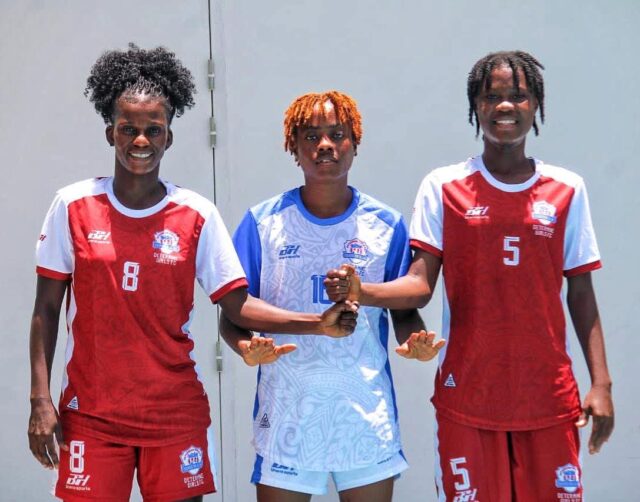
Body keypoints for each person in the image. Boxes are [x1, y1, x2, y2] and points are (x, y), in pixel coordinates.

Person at [28, 45, 357, 502]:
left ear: (169, 137)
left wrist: (317, 324)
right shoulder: (73, 206)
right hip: (92, 416)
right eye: (128, 129)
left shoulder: (196, 213)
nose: (140, 141)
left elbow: (237, 305)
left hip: (174, 416)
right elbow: (46, 309)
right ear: (110, 133)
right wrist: (40, 400)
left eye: (153, 130)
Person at [325, 51, 614, 501]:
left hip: (548, 397)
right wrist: (365, 291)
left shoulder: (567, 189)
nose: (504, 105)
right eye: (491, 96)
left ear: (536, 104)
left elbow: (581, 291)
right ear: (475, 106)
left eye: (518, 95)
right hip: (468, 396)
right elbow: (420, 286)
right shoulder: (444, 186)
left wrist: (601, 383)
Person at [220, 91, 444, 502]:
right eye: (311, 136)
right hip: (287, 415)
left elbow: (403, 310)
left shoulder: (385, 224)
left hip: (363, 416)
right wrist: (243, 346)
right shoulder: (262, 222)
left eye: (337, 134)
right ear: (294, 147)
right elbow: (232, 312)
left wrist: (414, 339)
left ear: (355, 143)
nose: (325, 145)